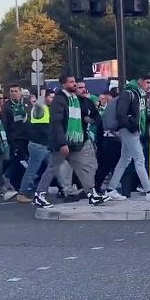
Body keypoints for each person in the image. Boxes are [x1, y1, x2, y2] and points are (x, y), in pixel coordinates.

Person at [32, 76, 109, 208]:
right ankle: (39, 195)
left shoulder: (74, 99)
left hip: (75, 141)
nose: (74, 84)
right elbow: (57, 122)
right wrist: (62, 143)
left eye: (74, 82)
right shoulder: (60, 99)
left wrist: (89, 120)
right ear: (63, 84)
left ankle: (92, 194)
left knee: (83, 167)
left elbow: (87, 116)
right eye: (71, 82)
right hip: (64, 143)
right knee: (52, 168)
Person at [104, 72, 150, 202]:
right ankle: (149, 190)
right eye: (147, 82)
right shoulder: (129, 93)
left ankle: (111, 188)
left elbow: (141, 113)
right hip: (130, 130)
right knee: (139, 159)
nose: (149, 85)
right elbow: (121, 114)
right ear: (140, 81)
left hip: (132, 129)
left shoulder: (139, 94)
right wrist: (133, 125)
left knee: (125, 159)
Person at [17, 90, 63, 202]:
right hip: (39, 145)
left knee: (54, 168)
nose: (53, 100)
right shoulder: (40, 108)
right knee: (33, 170)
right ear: (45, 98)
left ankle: (64, 189)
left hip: (44, 145)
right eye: (51, 97)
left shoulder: (47, 109)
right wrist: (41, 96)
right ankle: (22, 192)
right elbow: (45, 128)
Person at [2, 83, 30, 190]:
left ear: (20, 92)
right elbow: (6, 125)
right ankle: (8, 177)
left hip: (28, 137)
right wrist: (10, 140)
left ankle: (19, 183)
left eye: (15, 91)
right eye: (11, 91)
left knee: (23, 161)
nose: (13, 93)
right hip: (16, 139)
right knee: (19, 160)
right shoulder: (7, 106)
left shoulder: (26, 104)